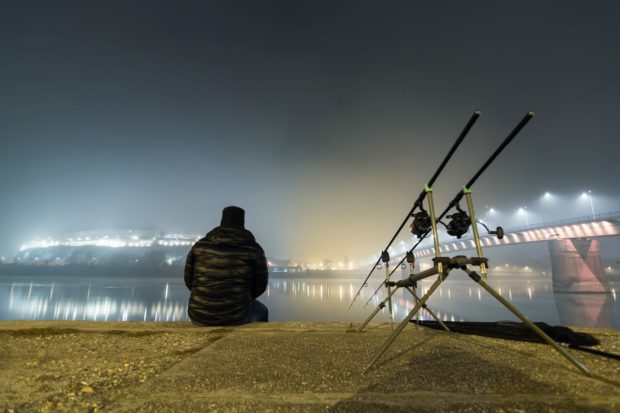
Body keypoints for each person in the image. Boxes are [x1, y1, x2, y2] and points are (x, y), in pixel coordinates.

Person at [184, 206, 269, 325]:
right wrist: (244, 297)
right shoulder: (253, 249)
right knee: (262, 311)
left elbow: (189, 280)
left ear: (222, 221)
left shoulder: (200, 246)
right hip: (236, 316)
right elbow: (260, 285)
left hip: (199, 314)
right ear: (242, 222)